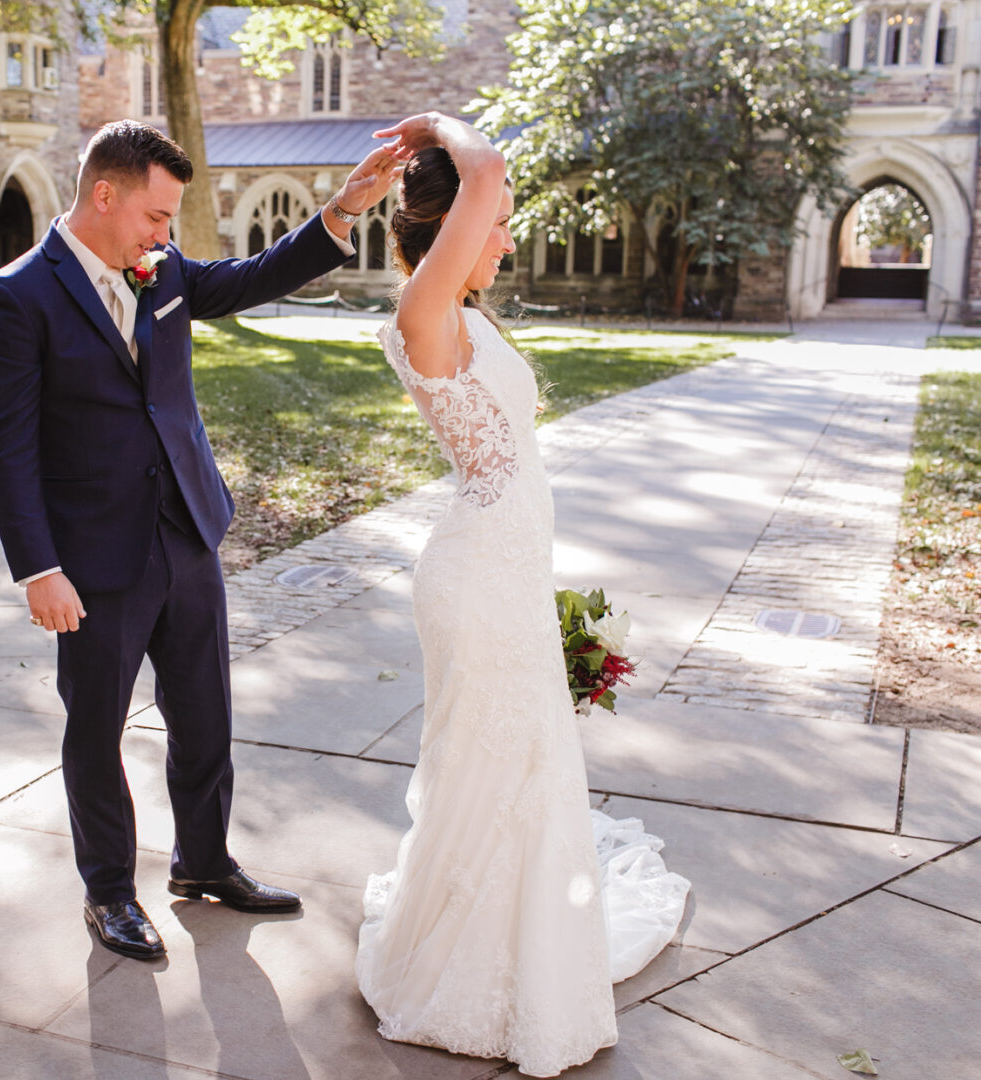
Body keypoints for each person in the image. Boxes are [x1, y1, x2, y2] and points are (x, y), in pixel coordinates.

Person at [0, 120, 405, 960]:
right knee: (95, 728)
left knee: (205, 715)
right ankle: (107, 893)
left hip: (188, 533)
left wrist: (344, 210)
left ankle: (203, 862)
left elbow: (248, 277)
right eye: (157, 216)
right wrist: (39, 569)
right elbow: (5, 448)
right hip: (92, 560)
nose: (165, 236)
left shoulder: (163, 270)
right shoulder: (17, 297)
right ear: (105, 195)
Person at [354, 113, 691, 1077]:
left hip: (503, 567)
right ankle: (468, 968)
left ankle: (513, 947)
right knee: (493, 760)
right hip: (474, 574)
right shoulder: (425, 309)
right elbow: (487, 166)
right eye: (495, 222)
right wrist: (437, 129)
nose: (507, 235)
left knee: (521, 760)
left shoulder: (461, 311)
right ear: (450, 224)